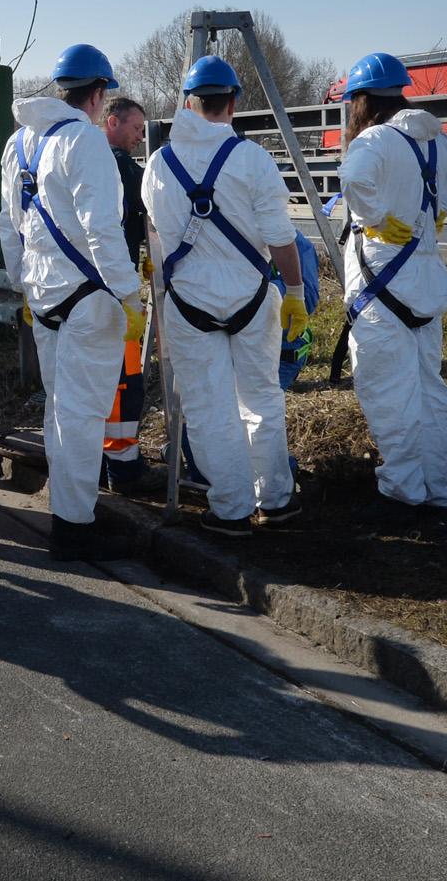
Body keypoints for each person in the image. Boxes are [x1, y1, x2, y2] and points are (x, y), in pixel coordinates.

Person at [142, 57, 306, 537]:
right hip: (251, 297)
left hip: (189, 303)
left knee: (209, 407)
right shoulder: (252, 158)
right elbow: (281, 236)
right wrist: (295, 291)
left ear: (188, 103)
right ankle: (275, 500)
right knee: (262, 398)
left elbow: (157, 233)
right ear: (232, 102)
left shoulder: (159, 164)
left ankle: (231, 509)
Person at [332, 53, 447, 526]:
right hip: (422, 287)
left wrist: (374, 218)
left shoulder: (373, 140)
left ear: (361, 101)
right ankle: (435, 487)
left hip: (382, 288)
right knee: (429, 392)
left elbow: (353, 179)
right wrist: (443, 205)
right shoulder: (434, 142)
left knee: (389, 392)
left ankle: (402, 491)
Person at [0, 43, 142, 562]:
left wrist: (24, 283)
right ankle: (75, 528)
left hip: (45, 297)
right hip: (89, 298)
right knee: (82, 415)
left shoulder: (19, 143)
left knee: (60, 408)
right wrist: (129, 295)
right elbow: (102, 230)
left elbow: (8, 224)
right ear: (99, 93)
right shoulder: (85, 141)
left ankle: (68, 513)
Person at [99, 94, 156, 493]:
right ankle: (122, 469)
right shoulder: (120, 166)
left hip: (82, 290)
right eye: (136, 129)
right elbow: (152, 202)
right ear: (112, 122)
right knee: (124, 379)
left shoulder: (76, 159)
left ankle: (98, 465)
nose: (140, 137)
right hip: (117, 293)